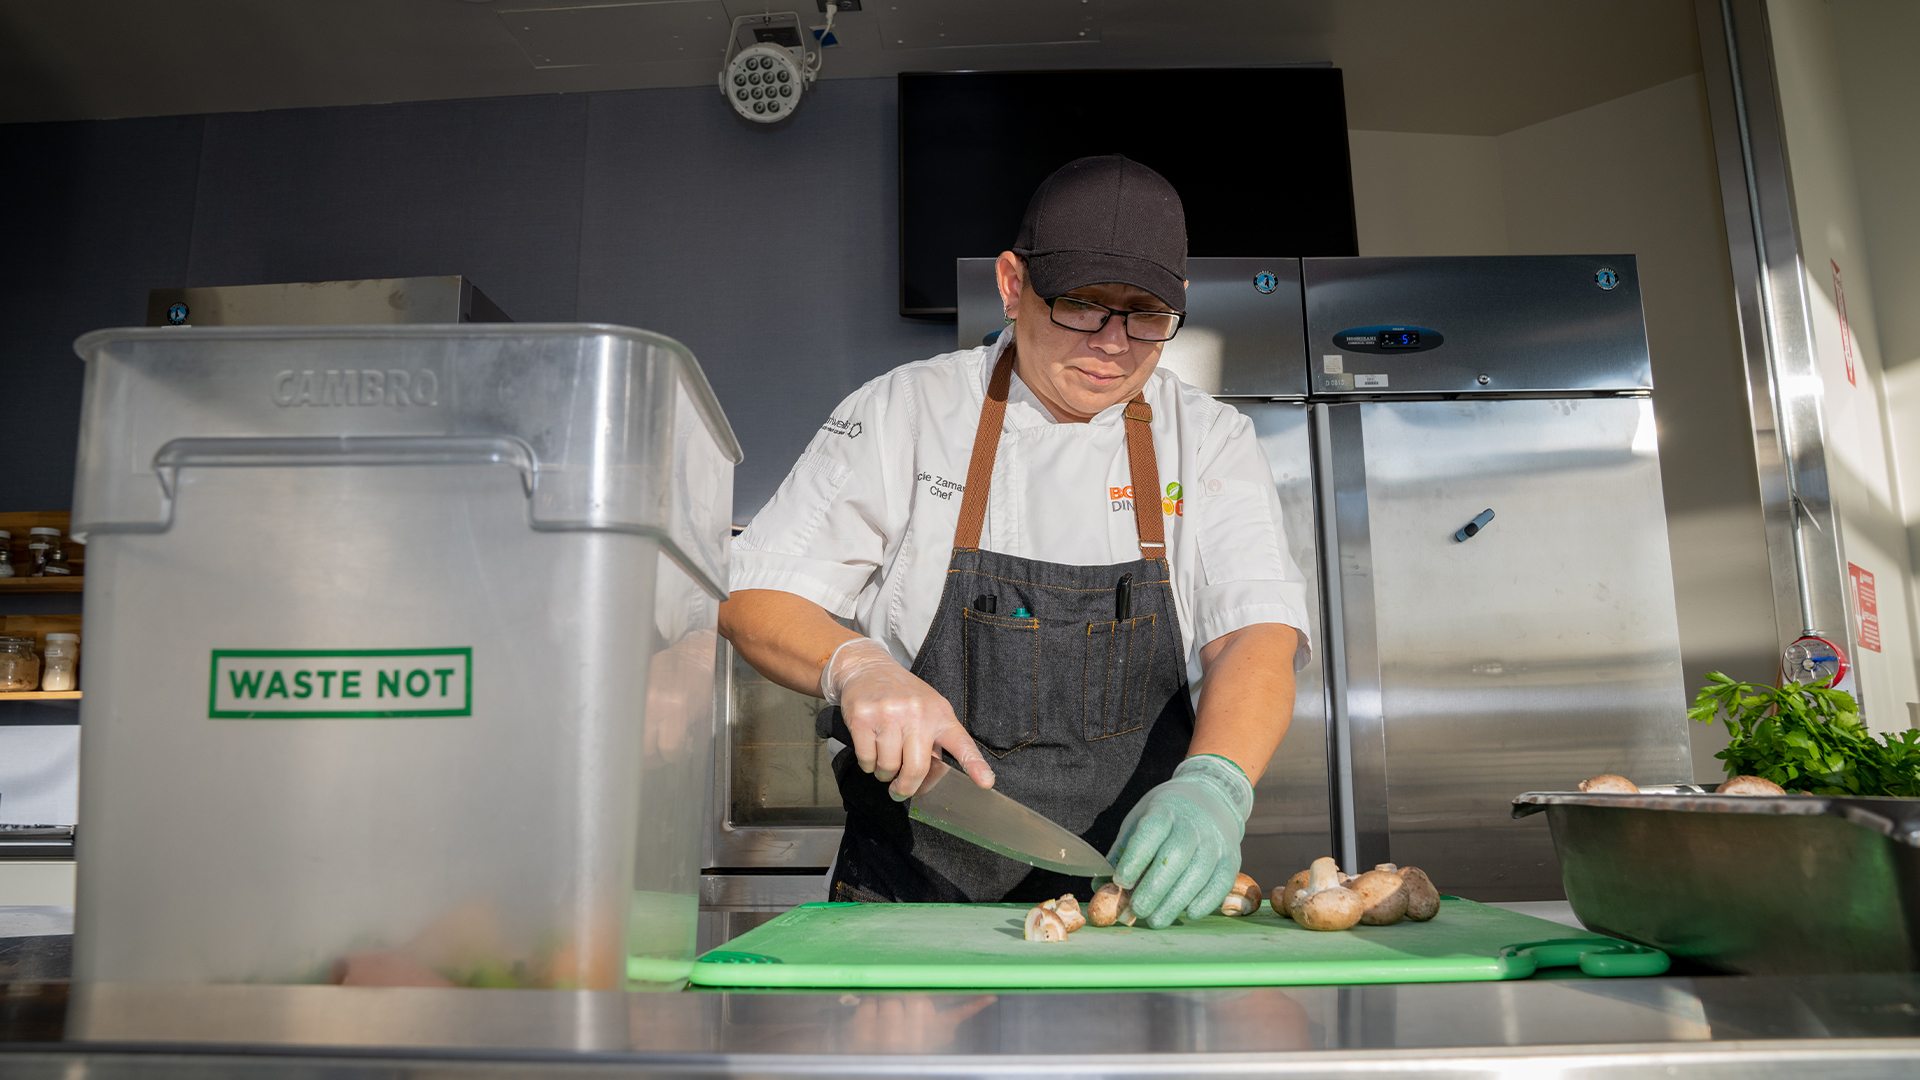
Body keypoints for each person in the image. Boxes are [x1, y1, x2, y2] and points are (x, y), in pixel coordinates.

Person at [719, 155, 1310, 929]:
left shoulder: (1209, 439)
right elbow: (754, 597)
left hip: (1128, 907)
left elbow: (1254, 635)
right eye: (1082, 305)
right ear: (1010, 283)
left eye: (1147, 316)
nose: (1112, 343)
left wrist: (1217, 781)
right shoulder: (907, 411)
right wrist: (856, 665)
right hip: (911, 904)